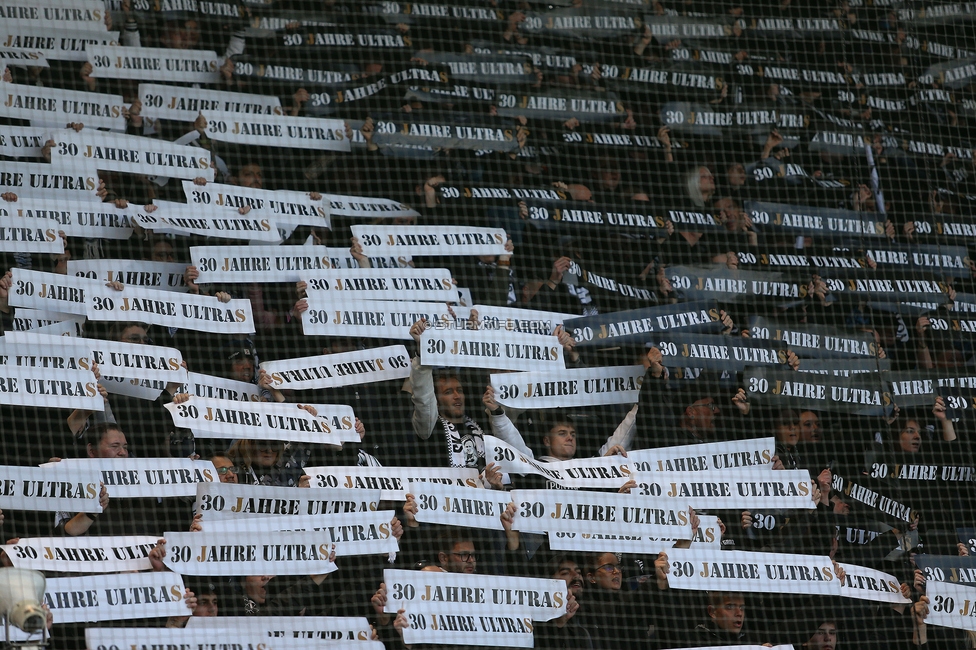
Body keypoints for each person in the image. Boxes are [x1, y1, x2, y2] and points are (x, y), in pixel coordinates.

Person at [408, 318, 487, 469]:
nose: (457, 396)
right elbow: (423, 398)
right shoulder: (429, 428)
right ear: (436, 400)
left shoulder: (481, 422)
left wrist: (476, 336)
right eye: (448, 392)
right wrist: (422, 347)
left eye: (460, 390)